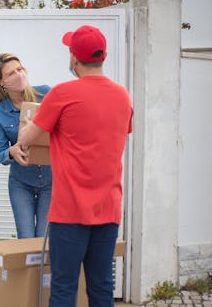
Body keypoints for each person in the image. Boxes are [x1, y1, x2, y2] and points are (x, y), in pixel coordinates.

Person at [18, 25, 133, 306]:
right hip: (108, 210)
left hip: (69, 213)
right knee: (101, 287)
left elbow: (27, 138)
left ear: (73, 58)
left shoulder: (62, 94)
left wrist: (30, 125)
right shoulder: (123, 96)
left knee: (63, 288)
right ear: (102, 56)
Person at [0, 53, 53, 238]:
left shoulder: (46, 94)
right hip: (21, 183)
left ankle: (43, 269)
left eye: (20, 69)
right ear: (2, 83)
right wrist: (12, 151)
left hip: (50, 181)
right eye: (11, 73)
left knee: (43, 241)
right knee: (25, 239)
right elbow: (1, 154)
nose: (19, 74)